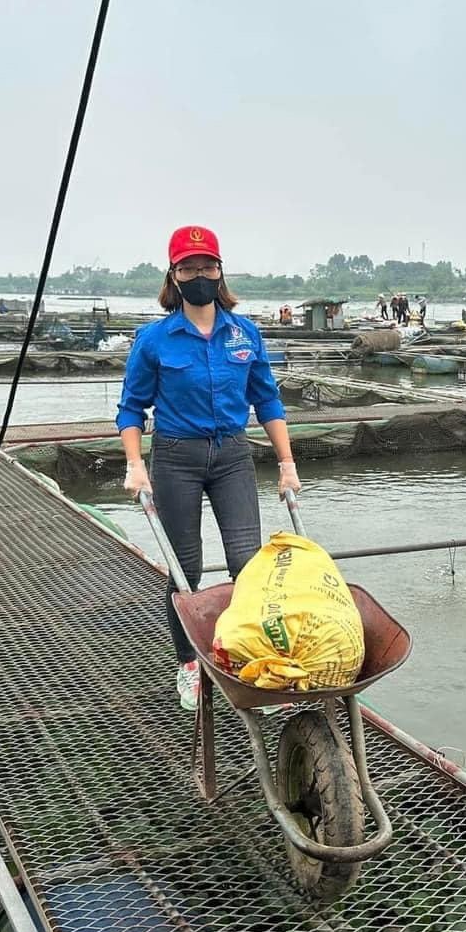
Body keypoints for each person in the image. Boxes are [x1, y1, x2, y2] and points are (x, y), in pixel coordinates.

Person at [118, 226, 300, 711]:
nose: (198, 275)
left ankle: (252, 657)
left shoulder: (244, 333)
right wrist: (135, 465)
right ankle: (189, 664)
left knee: (248, 562)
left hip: (233, 456)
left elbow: (267, 400)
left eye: (207, 266)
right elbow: (131, 408)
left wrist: (286, 464)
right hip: (176, 457)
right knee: (186, 568)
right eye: (188, 268)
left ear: (220, 272)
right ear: (173, 276)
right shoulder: (155, 339)